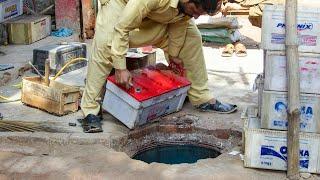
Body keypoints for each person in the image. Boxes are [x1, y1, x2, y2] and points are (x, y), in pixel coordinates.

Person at [80, 0, 238, 133]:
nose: (196, 16)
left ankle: (200, 96)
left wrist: (174, 55)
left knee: (192, 36)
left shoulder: (185, 8)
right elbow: (122, 28)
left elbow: (179, 23)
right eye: (195, 10)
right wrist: (120, 67)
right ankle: (90, 109)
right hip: (122, 6)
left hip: (156, 14)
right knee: (106, 43)